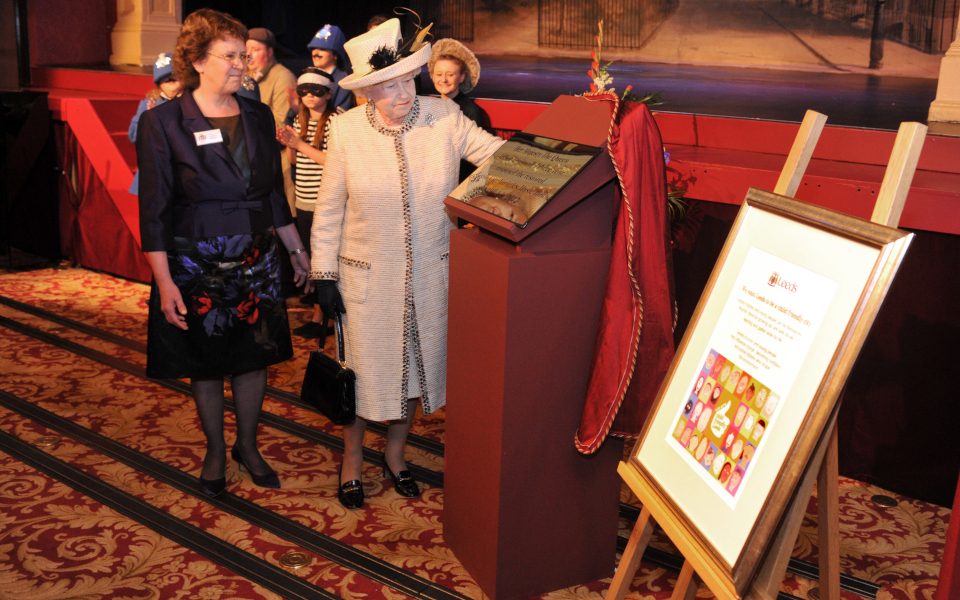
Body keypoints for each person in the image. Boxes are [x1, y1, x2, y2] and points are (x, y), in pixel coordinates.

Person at [309, 18, 504, 509]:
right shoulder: (347, 130)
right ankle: (352, 458)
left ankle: (395, 455)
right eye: (386, 86)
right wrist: (323, 274)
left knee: (416, 371)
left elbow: (499, 157)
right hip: (364, 279)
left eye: (405, 82)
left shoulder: (443, 116)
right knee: (361, 373)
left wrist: (557, 158)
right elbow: (329, 209)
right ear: (368, 91)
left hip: (430, 276)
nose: (401, 94)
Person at [137, 8, 312, 498]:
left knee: (254, 357)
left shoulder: (258, 115)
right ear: (197, 60)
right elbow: (154, 211)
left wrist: (296, 251)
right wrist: (165, 281)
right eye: (231, 56)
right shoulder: (164, 123)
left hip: (257, 257)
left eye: (244, 55)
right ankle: (216, 448)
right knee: (208, 360)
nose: (243, 65)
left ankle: (248, 445)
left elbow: (274, 195)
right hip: (195, 261)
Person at [276, 67, 336, 339]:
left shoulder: (337, 120)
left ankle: (322, 315)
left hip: (327, 201)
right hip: (304, 199)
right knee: (309, 258)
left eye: (317, 90)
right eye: (305, 91)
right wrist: (290, 143)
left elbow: (335, 162)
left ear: (329, 93)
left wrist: (299, 144)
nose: (310, 96)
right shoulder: (298, 120)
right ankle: (317, 310)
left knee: (326, 258)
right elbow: (293, 163)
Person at [246, 27, 297, 214]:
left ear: (269, 52)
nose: (249, 55)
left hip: (276, 159)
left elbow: (281, 125)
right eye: (246, 50)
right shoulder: (247, 77)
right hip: (254, 159)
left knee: (282, 217)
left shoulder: (283, 77)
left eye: (255, 50)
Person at [428, 38, 491, 181]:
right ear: (432, 76)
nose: (443, 80)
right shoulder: (429, 108)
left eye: (450, 75)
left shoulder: (471, 111)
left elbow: (472, 158)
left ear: (461, 77)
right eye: (439, 74)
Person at [128, 52, 182, 195]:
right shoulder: (149, 103)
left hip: (181, 172)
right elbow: (133, 136)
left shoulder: (189, 102)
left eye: (175, 79)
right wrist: (147, 119)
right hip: (156, 172)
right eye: (167, 80)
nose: (172, 84)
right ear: (159, 85)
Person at [307, 24, 354, 112]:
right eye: (314, 48)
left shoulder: (342, 81)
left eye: (322, 49)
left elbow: (340, 113)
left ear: (335, 55)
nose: (315, 53)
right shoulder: (307, 76)